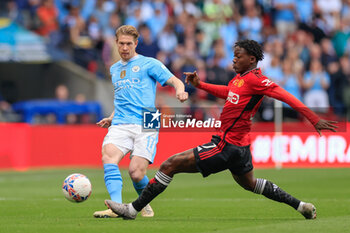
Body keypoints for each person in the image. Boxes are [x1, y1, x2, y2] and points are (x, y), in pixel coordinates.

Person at [104, 39, 337, 220]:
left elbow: (285, 96)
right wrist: (200, 85)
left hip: (227, 145)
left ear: (252, 60)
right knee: (250, 183)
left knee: (169, 165)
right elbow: (228, 92)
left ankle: (133, 209)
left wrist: (313, 119)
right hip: (240, 147)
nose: (233, 60)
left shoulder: (257, 80)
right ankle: (301, 206)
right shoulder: (240, 79)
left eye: (238, 57)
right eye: (233, 56)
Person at [93, 25, 188, 218]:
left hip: (147, 119)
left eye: (129, 44)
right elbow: (123, 97)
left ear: (136, 44)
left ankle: (143, 203)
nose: (125, 47)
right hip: (121, 121)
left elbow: (174, 80)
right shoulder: (114, 68)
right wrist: (112, 117)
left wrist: (180, 90)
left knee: (136, 173)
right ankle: (116, 207)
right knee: (108, 156)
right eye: (121, 43)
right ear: (116, 43)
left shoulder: (149, 63)